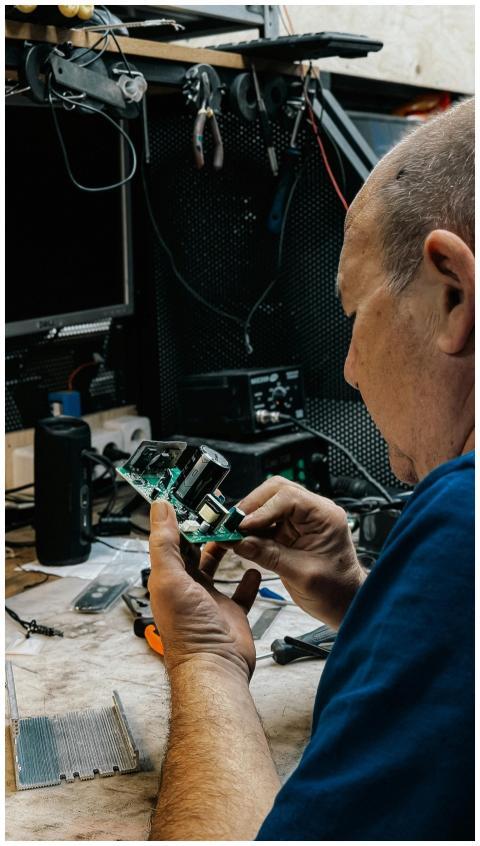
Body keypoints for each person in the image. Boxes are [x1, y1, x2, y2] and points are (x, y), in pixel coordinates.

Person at [146, 99, 474, 841]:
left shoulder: (465, 524)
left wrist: (205, 658)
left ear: (453, 292)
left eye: (354, 316)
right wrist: (363, 599)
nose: (350, 370)